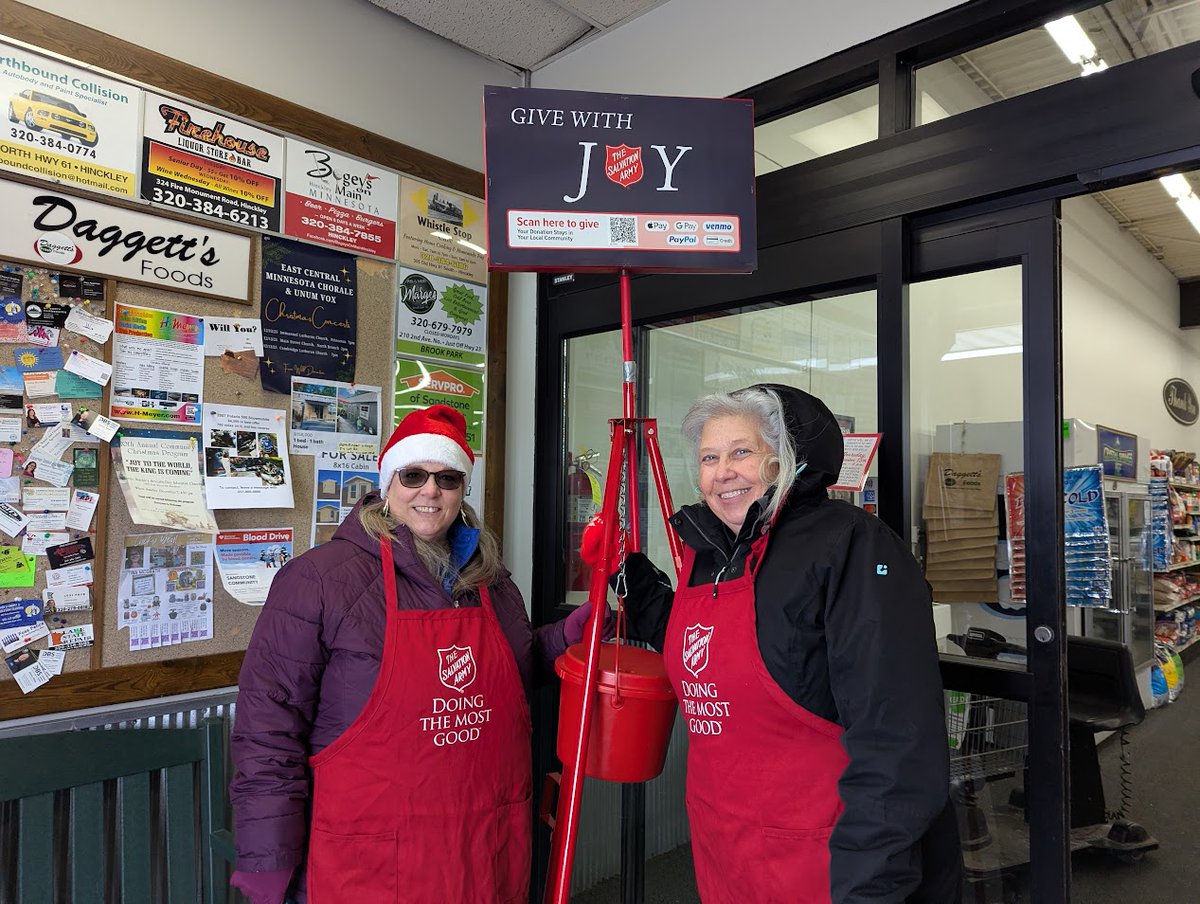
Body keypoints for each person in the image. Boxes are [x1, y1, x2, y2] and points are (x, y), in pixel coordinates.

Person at [587, 384, 960, 903]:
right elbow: (701, 643)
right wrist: (630, 579)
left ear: (786, 460)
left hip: (828, 858)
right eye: (709, 457)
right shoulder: (708, 551)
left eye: (742, 451)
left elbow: (894, 735)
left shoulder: (850, 545)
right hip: (726, 844)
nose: (723, 472)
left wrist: (871, 884)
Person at [230, 404, 601, 904]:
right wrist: (266, 857)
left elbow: (513, 673)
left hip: (482, 851)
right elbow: (268, 725)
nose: (430, 491)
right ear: (388, 483)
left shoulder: (488, 578)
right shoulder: (318, 580)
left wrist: (570, 635)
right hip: (374, 863)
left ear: (462, 490)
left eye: (447, 478)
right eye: (414, 475)